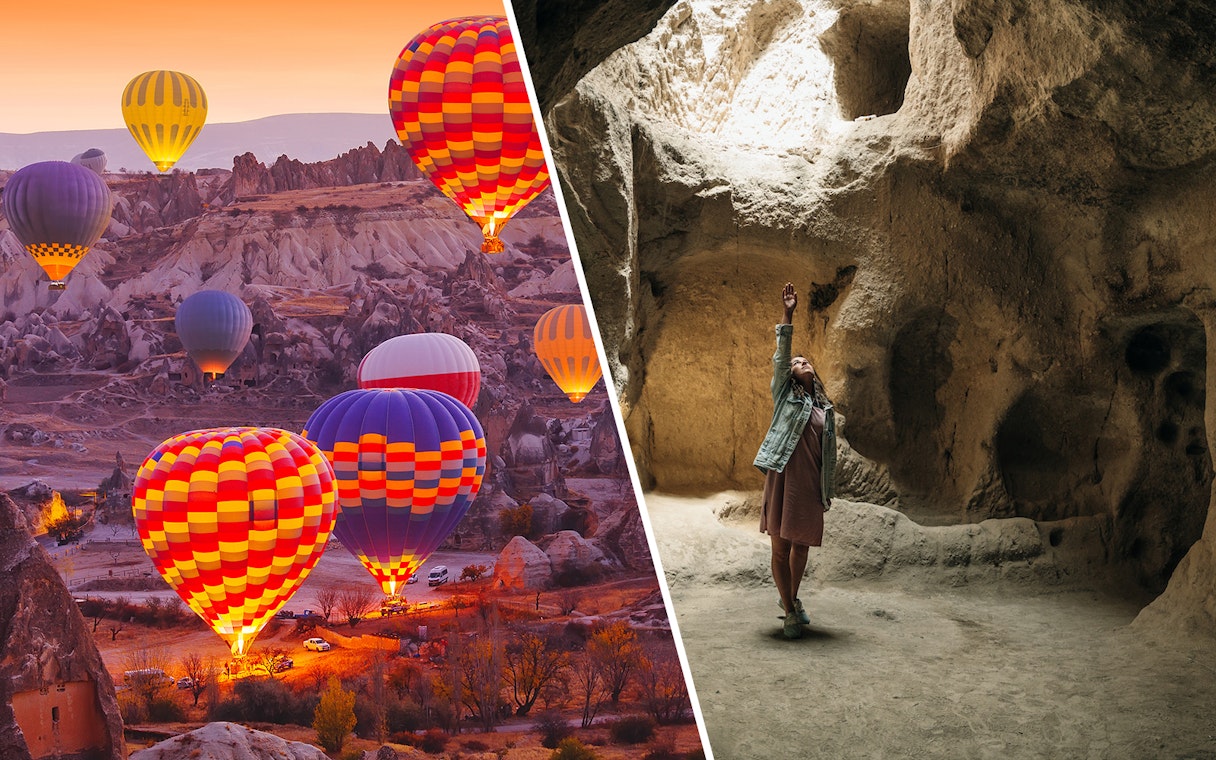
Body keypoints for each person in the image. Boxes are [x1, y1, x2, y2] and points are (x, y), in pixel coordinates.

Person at [753, 282, 837, 639]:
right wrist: (788, 314)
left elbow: (828, 458)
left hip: (808, 485)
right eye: (796, 362)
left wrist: (825, 492)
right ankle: (789, 610)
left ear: (814, 373)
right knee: (780, 546)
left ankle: (792, 599)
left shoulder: (825, 410)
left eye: (806, 361)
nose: (800, 362)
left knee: (800, 546)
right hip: (783, 476)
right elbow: (781, 353)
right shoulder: (784, 394)